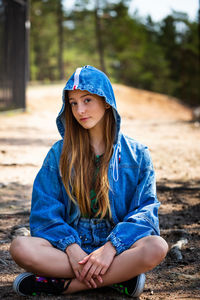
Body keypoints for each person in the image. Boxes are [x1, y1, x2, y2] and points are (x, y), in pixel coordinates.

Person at [10, 65, 168, 297]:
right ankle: (117, 280)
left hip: (117, 250)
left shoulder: (137, 154)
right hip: (68, 249)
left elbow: (145, 212)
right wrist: (71, 248)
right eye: (73, 103)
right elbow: (44, 212)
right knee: (20, 247)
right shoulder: (59, 153)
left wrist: (110, 248)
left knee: (157, 246)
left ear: (106, 102)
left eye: (87, 100)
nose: (80, 110)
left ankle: (61, 286)